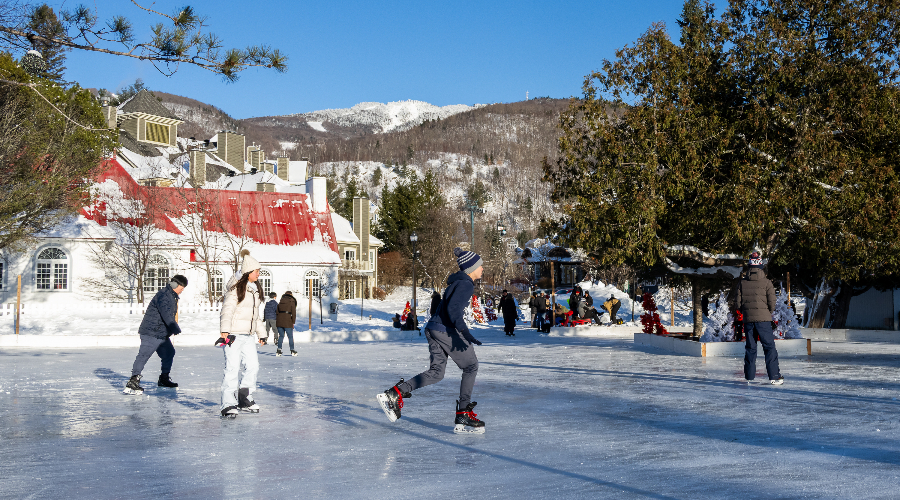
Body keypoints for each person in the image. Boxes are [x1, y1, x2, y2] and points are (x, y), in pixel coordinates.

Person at [377, 247, 486, 434]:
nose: (482, 268)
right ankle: (463, 413)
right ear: (471, 268)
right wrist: (464, 333)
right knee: (471, 366)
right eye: (480, 265)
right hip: (445, 330)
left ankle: (395, 393)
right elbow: (453, 310)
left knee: (437, 373)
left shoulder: (457, 282)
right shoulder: (466, 284)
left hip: (433, 328)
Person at [124, 275, 188, 395]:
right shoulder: (164, 295)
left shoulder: (171, 295)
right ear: (174, 285)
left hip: (161, 333)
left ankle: (164, 378)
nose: (182, 290)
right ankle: (133, 381)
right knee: (144, 355)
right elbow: (166, 315)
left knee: (169, 353)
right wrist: (174, 327)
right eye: (182, 287)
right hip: (151, 331)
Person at [219, 250, 264, 418]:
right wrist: (224, 329)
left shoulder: (254, 290)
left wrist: (262, 333)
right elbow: (227, 310)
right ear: (247, 273)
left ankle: (244, 398)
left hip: (248, 335)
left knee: (253, 366)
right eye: (256, 271)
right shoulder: (236, 288)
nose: (259, 273)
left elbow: (255, 316)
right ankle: (228, 404)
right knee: (232, 368)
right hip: (233, 335)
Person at [737, 252, 784, 385]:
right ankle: (774, 376)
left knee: (751, 347)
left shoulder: (742, 283)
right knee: (769, 347)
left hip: (748, 321)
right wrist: (767, 312)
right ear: (761, 265)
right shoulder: (767, 282)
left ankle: (749, 377)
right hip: (763, 320)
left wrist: (746, 313)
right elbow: (772, 302)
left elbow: (738, 303)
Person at [276, 291, 297, 356]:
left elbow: (277, 312)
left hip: (279, 320)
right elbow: (293, 313)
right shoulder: (292, 301)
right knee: (290, 336)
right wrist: (293, 322)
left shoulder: (280, 301)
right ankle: (292, 350)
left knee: (281, 336)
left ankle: (279, 350)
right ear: (291, 295)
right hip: (288, 320)